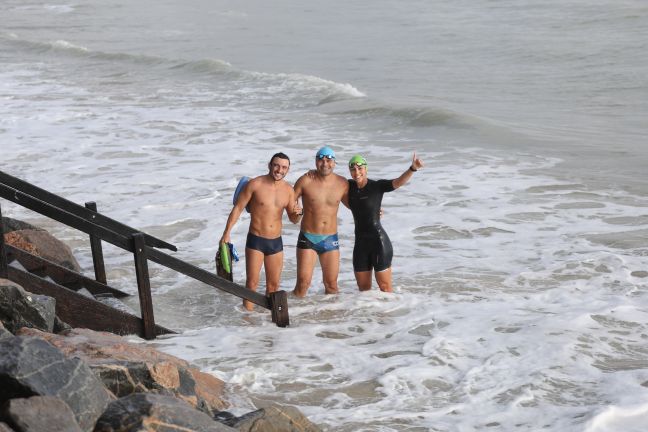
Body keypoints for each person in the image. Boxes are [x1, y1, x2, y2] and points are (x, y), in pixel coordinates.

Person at [220, 152, 302, 310]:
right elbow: (237, 209)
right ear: (270, 165)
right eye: (276, 165)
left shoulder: (288, 190)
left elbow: (293, 219)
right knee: (251, 284)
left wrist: (299, 213)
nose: (279, 170)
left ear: (288, 169)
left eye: (284, 167)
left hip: (276, 242)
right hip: (256, 240)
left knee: (273, 286)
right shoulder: (255, 184)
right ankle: (247, 320)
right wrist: (226, 233)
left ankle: (266, 325)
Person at [344, 152, 424, 292]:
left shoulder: (377, 186)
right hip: (360, 244)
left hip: (379, 243)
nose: (357, 172)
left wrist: (413, 168)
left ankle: (388, 313)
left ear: (366, 169)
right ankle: (368, 314)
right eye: (353, 169)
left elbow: (398, 182)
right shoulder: (348, 186)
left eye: (360, 168)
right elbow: (330, 181)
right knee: (363, 290)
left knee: (385, 288)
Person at [292, 146, 349, 297]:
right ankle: (292, 315)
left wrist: (375, 209)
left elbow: (356, 206)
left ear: (334, 163)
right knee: (302, 285)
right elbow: (289, 199)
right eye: (321, 160)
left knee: (331, 286)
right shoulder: (305, 180)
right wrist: (296, 211)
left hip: (330, 239)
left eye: (329, 160)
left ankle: (332, 318)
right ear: (316, 162)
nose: (325, 163)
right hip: (308, 237)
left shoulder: (343, 183)